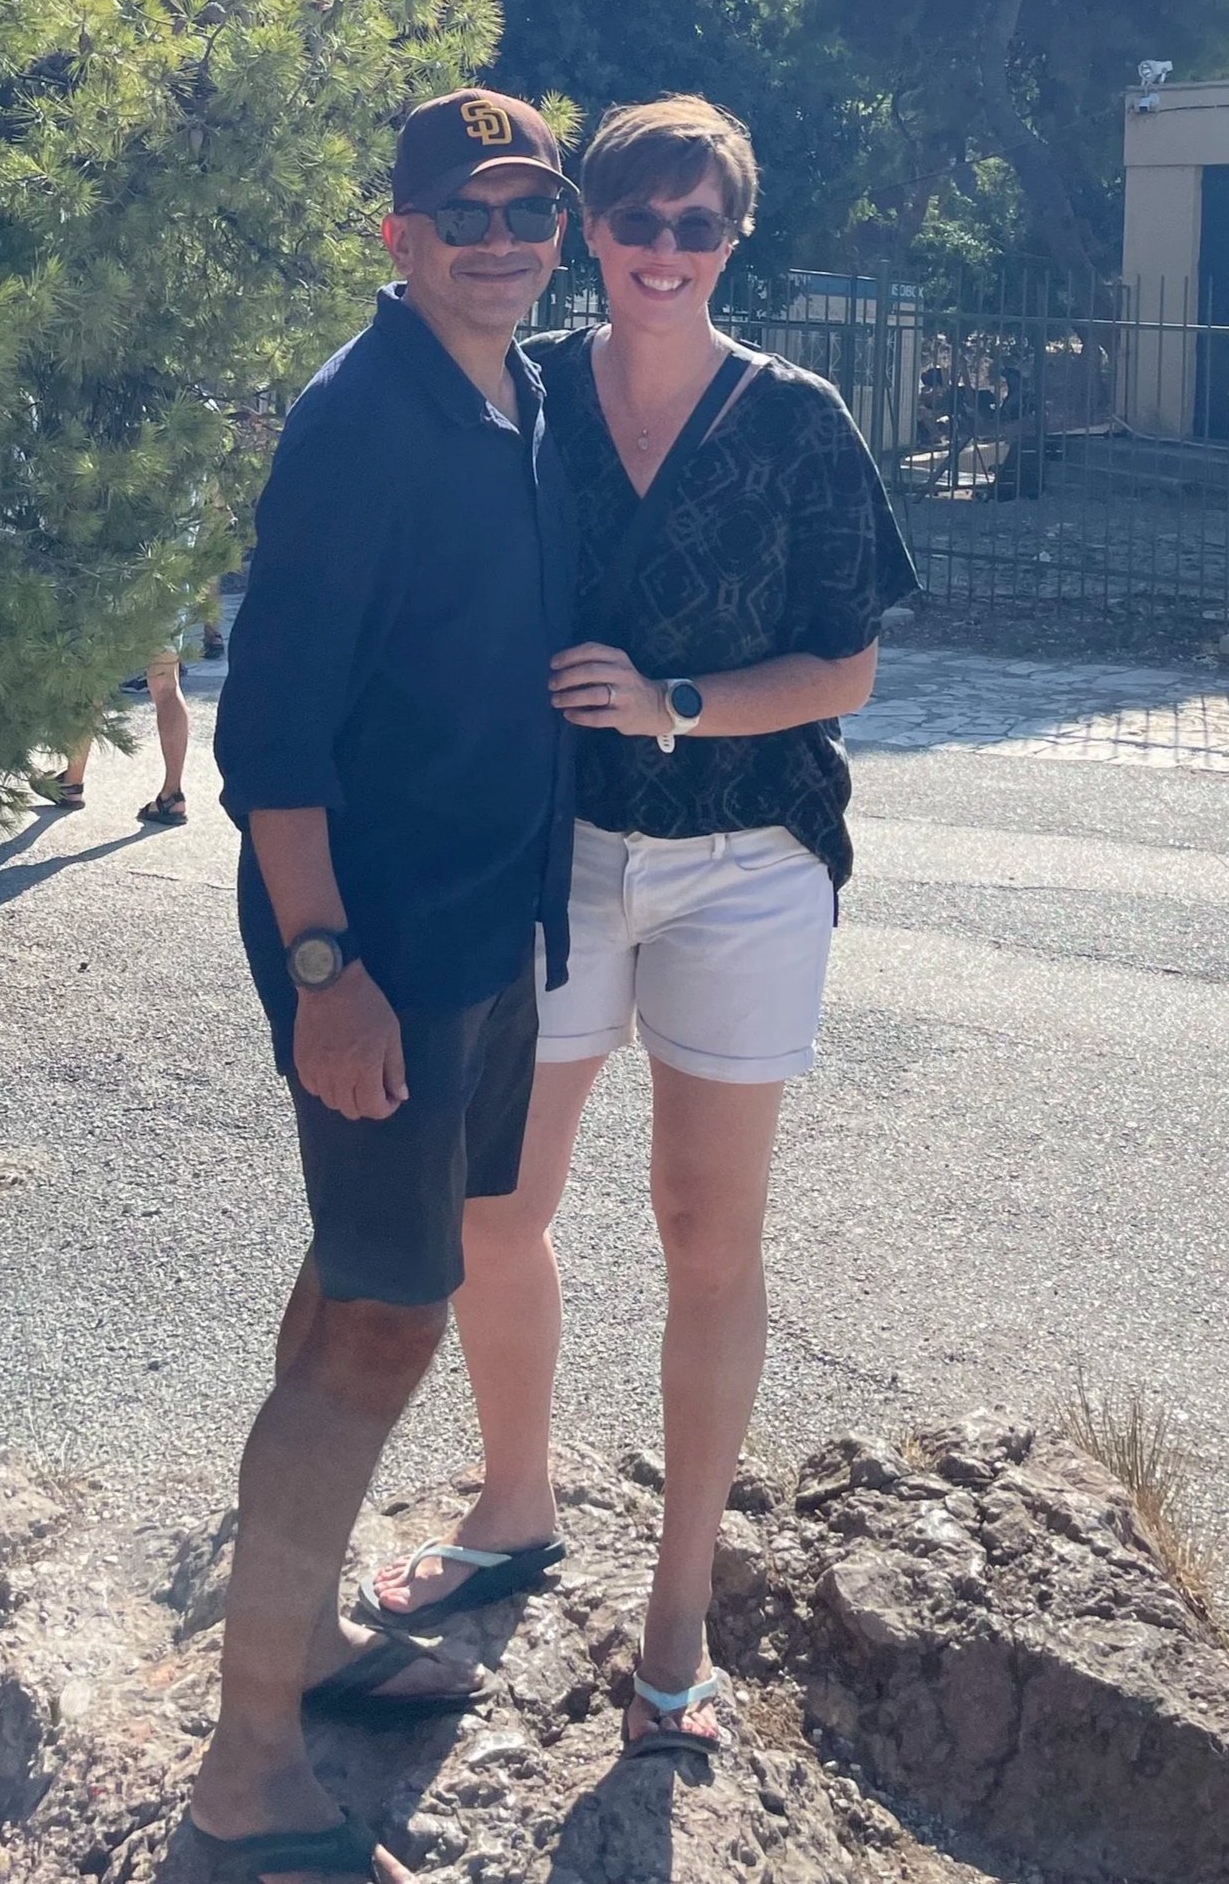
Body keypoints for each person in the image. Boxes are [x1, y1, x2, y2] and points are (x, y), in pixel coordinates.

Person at [359, 94, 917, 1761]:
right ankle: (514, 1503)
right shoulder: (523, 400)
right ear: (589, 231)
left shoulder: (800, 418)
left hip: (747, 859)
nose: (663, 250)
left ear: (734, 238)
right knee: (495, 1203)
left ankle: (676, 1616)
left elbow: (847, 670)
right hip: (553, 852)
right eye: (635, 220)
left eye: (698, 225)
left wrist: (676, 700)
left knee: (705, 1231)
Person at [188, 91, 577, 1884]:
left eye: (533, 205)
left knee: (357, 1277)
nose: (505, 236)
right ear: (396, 232)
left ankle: (311, 1641)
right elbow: (270, 731)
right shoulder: (361, 423)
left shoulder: (515, 397)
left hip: (482, 940)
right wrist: (327, 974)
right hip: (387, 959)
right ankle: (247, 1769)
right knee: (381, 1325)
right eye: (467, 209)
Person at [38, 628, 196, 826]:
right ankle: (172, 796)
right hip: (165, 598)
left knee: (91, 679)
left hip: (106, 600)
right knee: (167, 686)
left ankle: (72, 783)